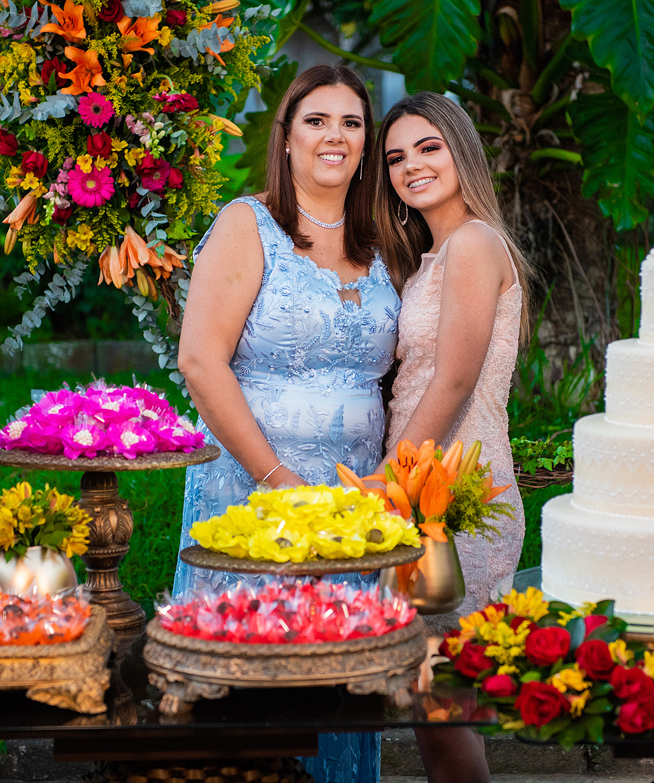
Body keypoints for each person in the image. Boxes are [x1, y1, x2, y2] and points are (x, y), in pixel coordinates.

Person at [173, 65, 398, 783]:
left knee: (338, 679)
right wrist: (277, 480)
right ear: (288, 135)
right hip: (252, 491)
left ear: (366, 142)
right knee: (260, 678)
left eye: (352, 123)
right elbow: (201, 361)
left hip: (351, 503)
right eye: (317, 120)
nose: (336, 136)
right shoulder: (250, 224)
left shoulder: (384, 240)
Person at [376, 91, 532, 783]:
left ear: (461, 150)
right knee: (433, 702)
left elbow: (455, 378)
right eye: (396, 157)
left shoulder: (473, 242)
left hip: (453, 491)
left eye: (428, 147)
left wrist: (387, 481)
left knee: (441, 702)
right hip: (430, 482)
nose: (412, 166)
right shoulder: (435, 251)